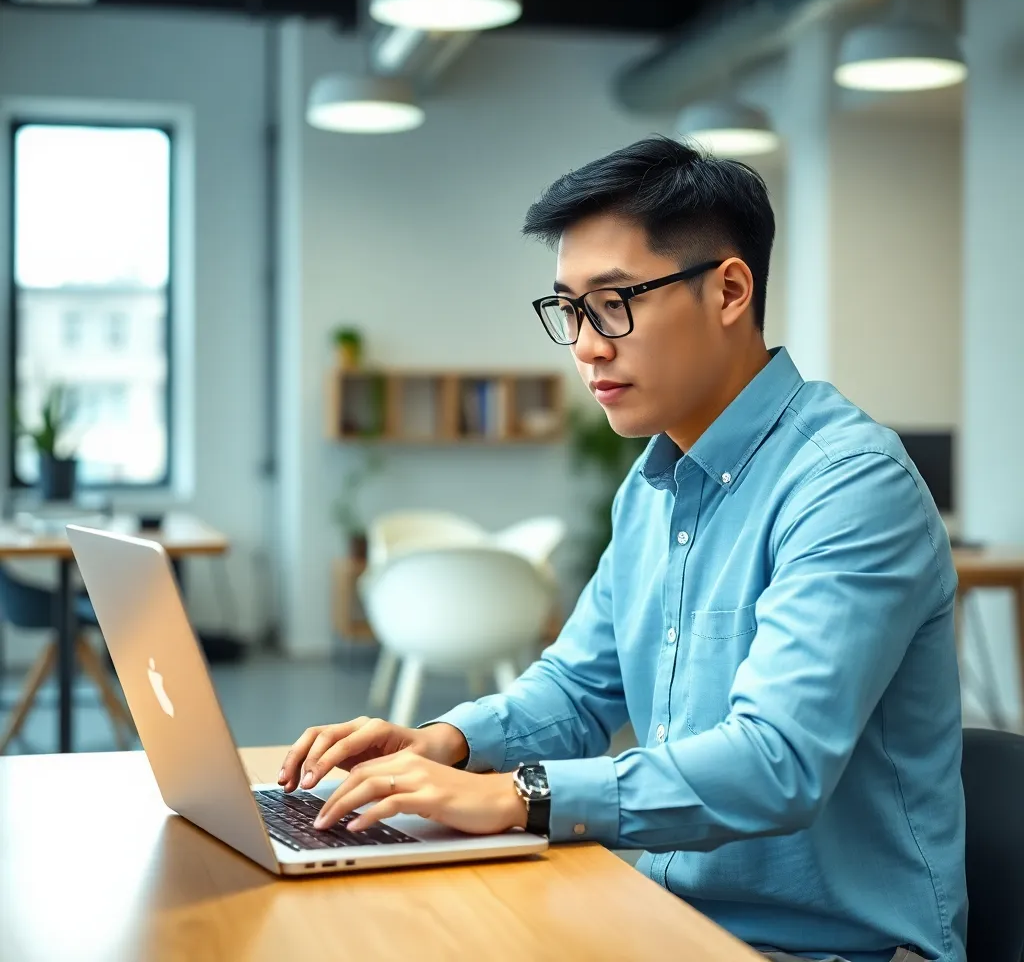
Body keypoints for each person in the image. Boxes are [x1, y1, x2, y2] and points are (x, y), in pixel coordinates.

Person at [279, 137, 966, 962]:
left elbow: (777, 760)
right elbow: (577, 689)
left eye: (613, 303)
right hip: (665, 915)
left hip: (822, 950)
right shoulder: (652, 486)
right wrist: (441, 744)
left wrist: (516, 796)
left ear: (730, 291)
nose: (587, 346)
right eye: (568, 310)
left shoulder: (848, 485)